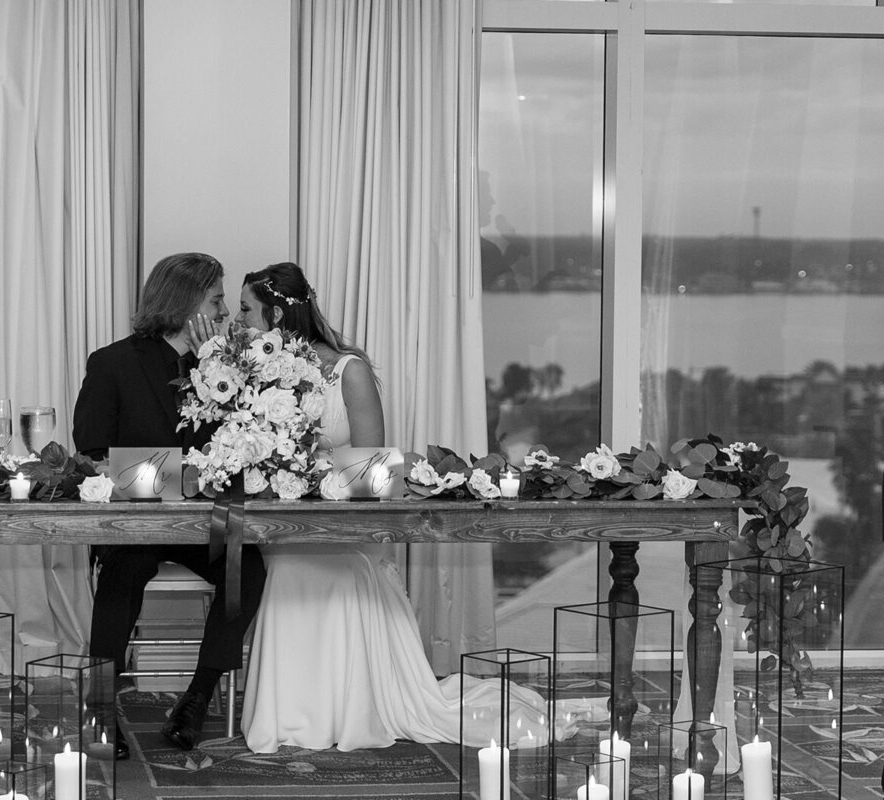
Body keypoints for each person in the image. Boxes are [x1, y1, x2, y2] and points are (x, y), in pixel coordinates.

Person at [236, 262, 555, 754]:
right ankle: (293, 714)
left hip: (345, 524)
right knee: (284, 566)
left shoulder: (349, 369)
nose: (239, 322)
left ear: (276, 314)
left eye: (246, 311)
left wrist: (310, 469)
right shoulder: (254, 371)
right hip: (285, 524)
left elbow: (373, 470)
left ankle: (344, 709)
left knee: (330, 568)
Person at [72, 252, 268, 758]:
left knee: (245, 564)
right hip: (132, 524)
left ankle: (196, 699)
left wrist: (215, 371)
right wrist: (162, 475)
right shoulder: (112, 363)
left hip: (203, 525)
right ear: (184, 305)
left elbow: (244, 444)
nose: (224, 312)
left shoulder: (227, 368)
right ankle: (99, 705)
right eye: (216, 300)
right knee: (127, 566)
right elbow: (91, 453)